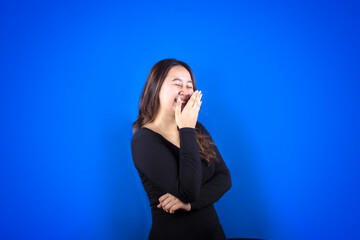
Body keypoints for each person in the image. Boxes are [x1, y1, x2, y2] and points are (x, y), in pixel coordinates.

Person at [131, 58, 232, 240]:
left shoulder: (197, 128)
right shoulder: (144, 140)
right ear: (156, 88)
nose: (185, 91)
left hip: (213, 234)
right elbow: (188, 191)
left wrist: (190, 204)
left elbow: (224, 178)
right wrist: (186, 128)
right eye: (177, 84)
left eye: (189, 86)